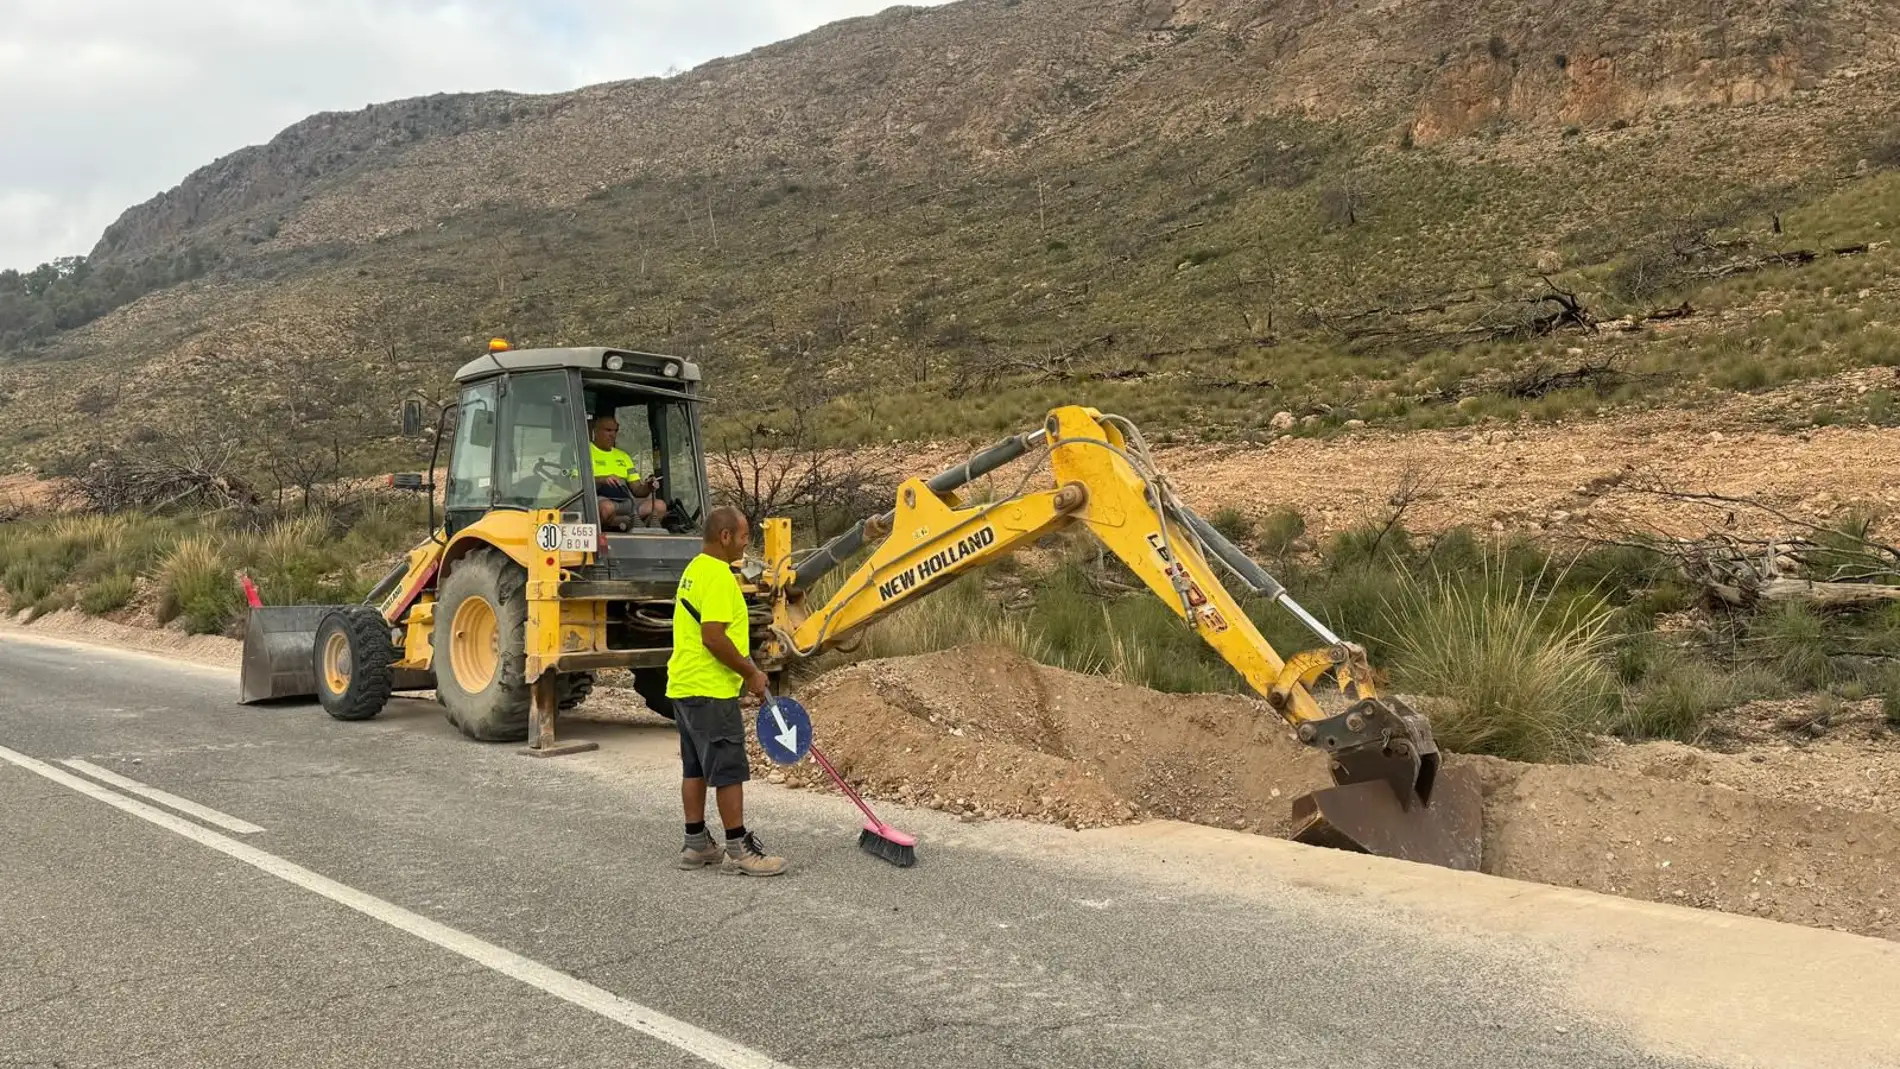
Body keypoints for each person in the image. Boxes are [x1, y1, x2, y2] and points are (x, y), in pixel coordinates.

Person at [667, 504, 787, 876]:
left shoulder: (695, 569)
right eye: (743, 536)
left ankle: (696, 844)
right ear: (724, 536)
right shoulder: (718, 576)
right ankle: (739, 847)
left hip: (684, 685)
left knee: (695, 768)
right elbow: (714, 638)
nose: (746, 543)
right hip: (710, 689)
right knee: (729, 770)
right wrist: (751, 672)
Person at [588, 414, 667, 530]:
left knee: (660, 506)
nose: (613, 435)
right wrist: (602, 480)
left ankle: (639, 533)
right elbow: (576, 484)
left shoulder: (624, 456)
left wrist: (648, 486)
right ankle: (626, 524)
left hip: (627, 502)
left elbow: (637, 490)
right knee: (606, 508)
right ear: (595, 431)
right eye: (608, 430)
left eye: (615, 431)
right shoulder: (585, 452)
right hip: (599, 499)